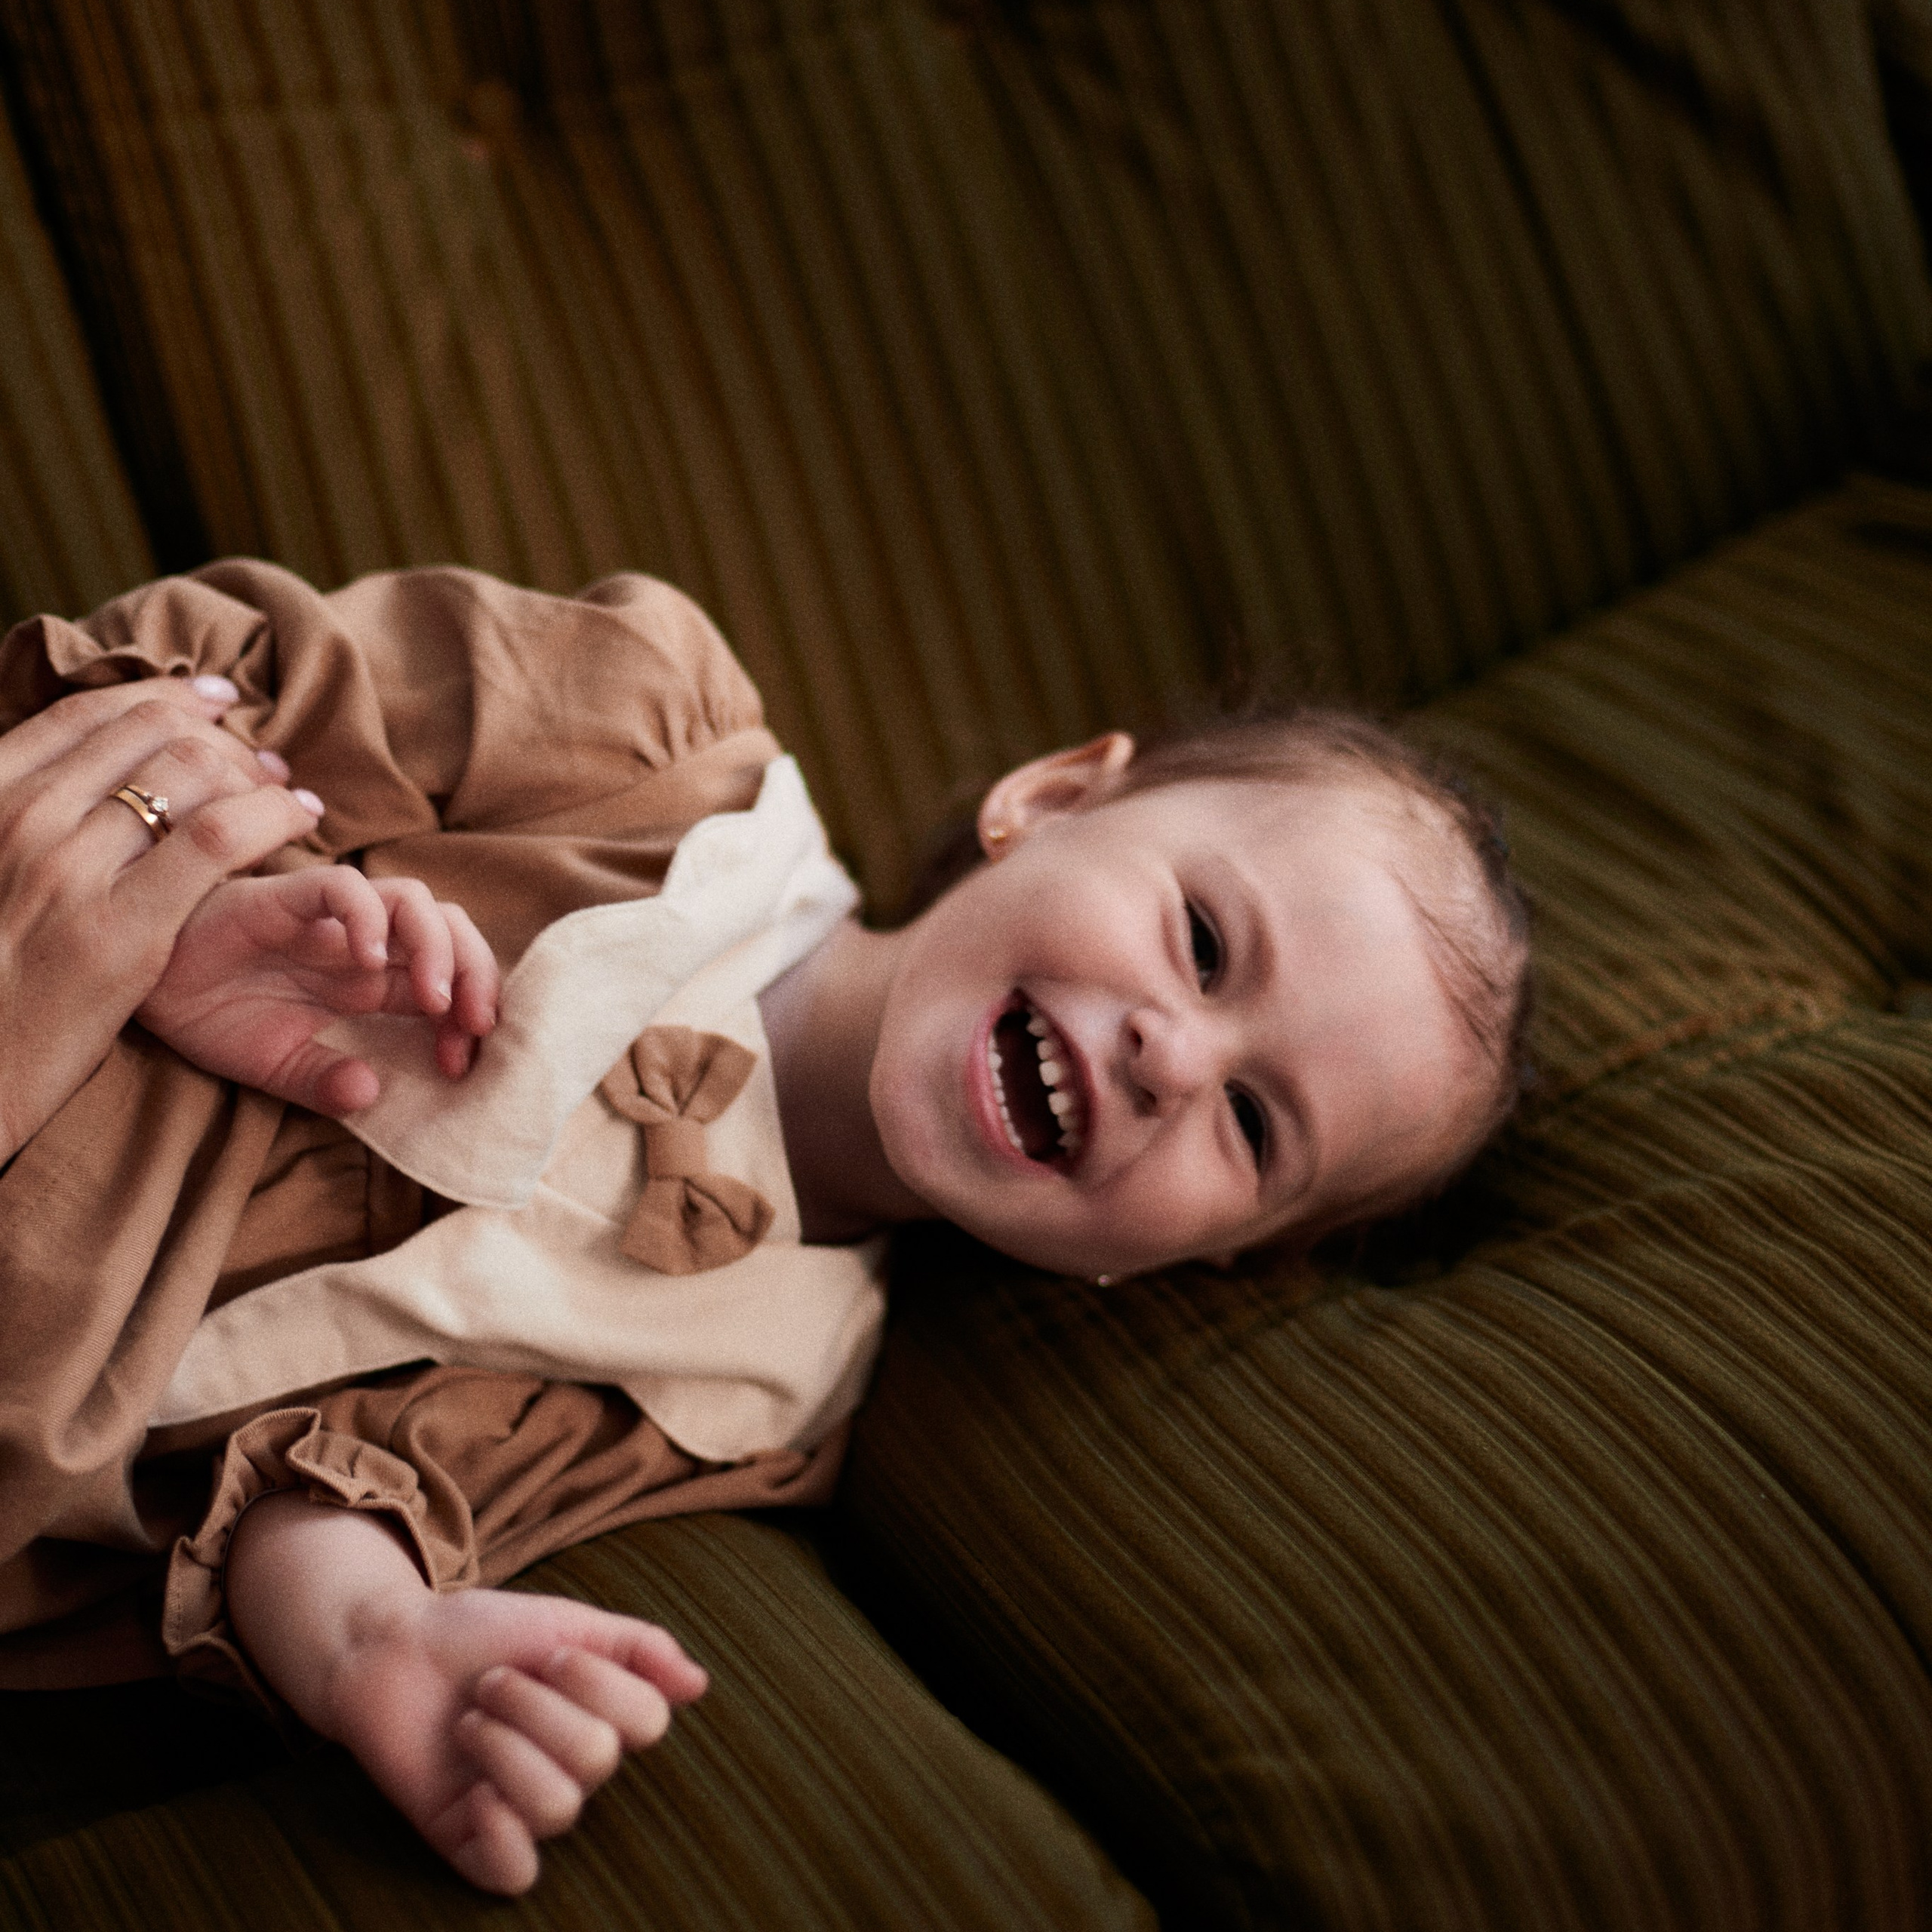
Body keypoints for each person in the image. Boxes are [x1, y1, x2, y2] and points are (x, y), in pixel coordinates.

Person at [0, 561, 1530, 1894]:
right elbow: (177, 701)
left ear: (1188, 1261)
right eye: (1200, 939)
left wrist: (375, 1646)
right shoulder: (655, 740)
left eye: (1254, 1127)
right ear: (1049, 797)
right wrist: (220, 898)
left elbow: (349, 1481)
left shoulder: (762, 1393)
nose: (1171, 1059)